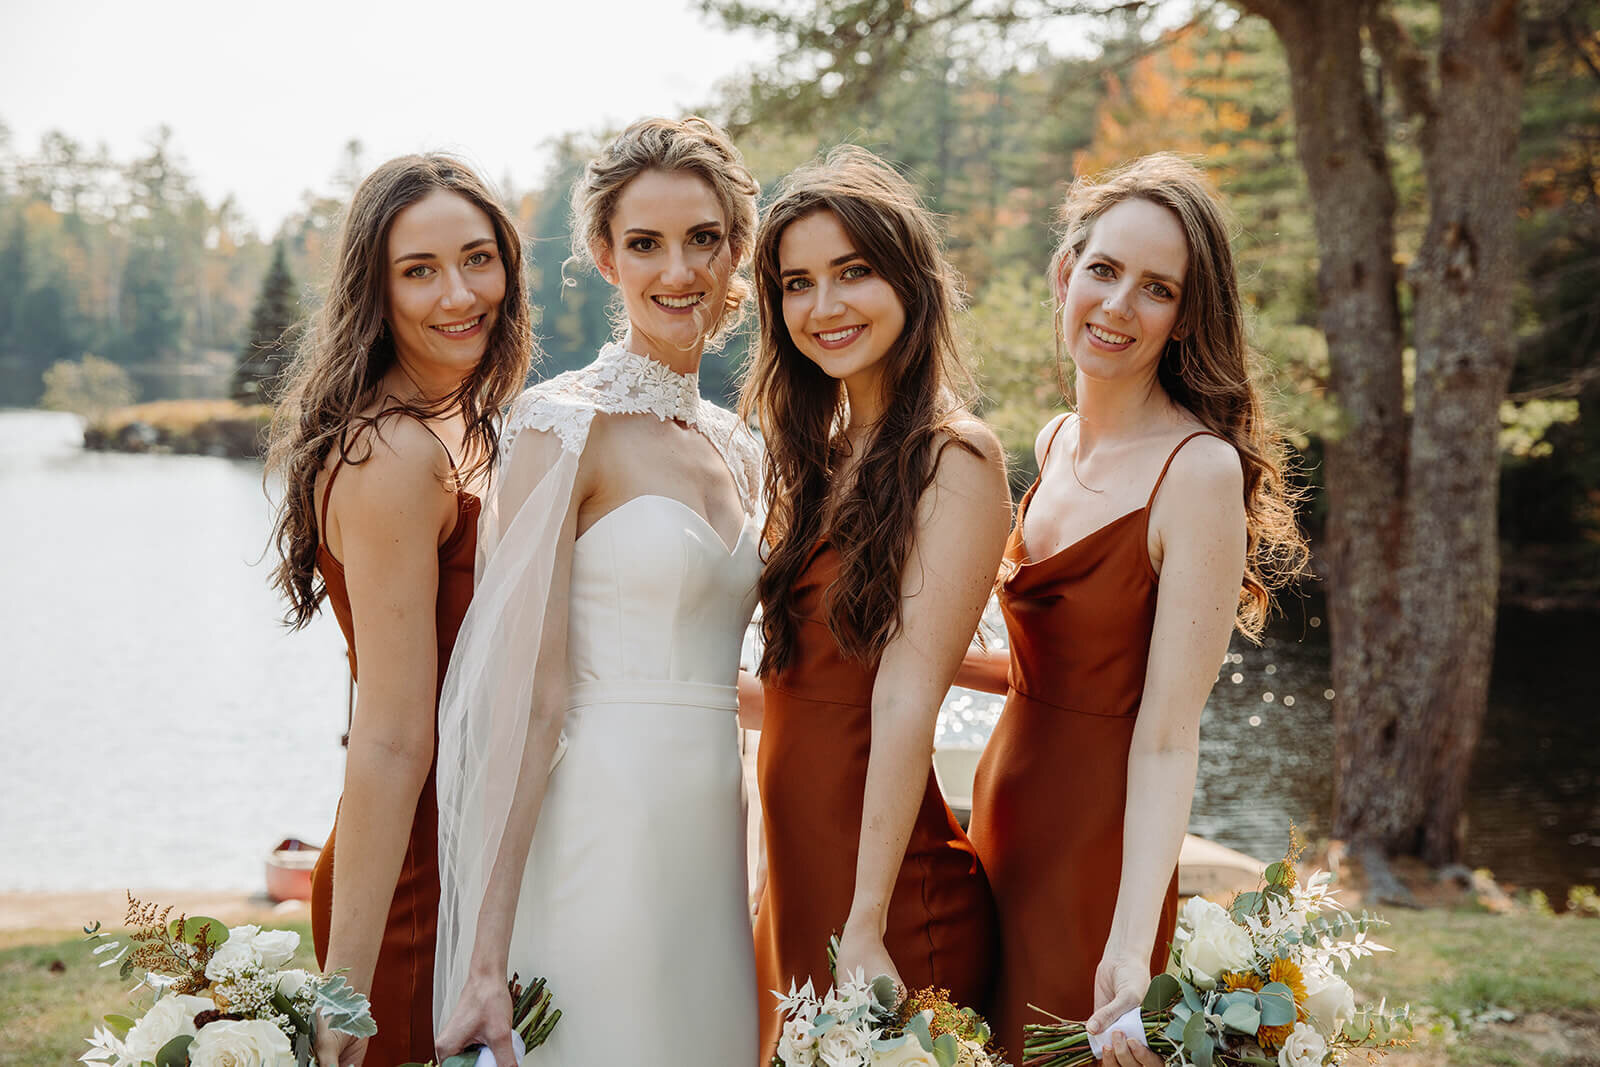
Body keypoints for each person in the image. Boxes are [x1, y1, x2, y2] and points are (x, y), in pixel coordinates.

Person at [958, 153, 1310, 1065]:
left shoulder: (1196, 472)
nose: (1117, 306)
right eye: (1105, 270)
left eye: (1157, 289)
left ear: (1187, 317)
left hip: (1096, 845)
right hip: (1002, 810)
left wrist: (1126, 939)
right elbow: (1054, 670)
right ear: (1065, 270)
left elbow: (1165, 732)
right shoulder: (1054, 439)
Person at [430, 116, 764, 1067]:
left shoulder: (742, 447)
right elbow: (525, 699)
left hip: (710, 834)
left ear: (736, 249)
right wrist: (485, 953)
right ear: (604, 257)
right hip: (597, 822)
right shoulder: (558, 427)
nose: (679, 271)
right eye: (645, 243)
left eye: (704, 239)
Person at [742, 146, 1011, 1061]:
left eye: (852, 272)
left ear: (910, 279)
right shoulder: (816, 456)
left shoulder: (955, 459)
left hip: (889, 904)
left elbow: (902, 700)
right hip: (798, 886)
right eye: (798, 282)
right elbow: (799, 692)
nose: (825, 306)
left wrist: (862, 927)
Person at [264, 153, 533, 1067]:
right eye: (419, 271)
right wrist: (345, 982)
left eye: (478, 258)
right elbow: (388, 736)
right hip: (411, 880)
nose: (460, 293)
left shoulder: (470, 422)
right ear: (375, 293)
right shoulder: (388, 454)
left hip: (475, 858)